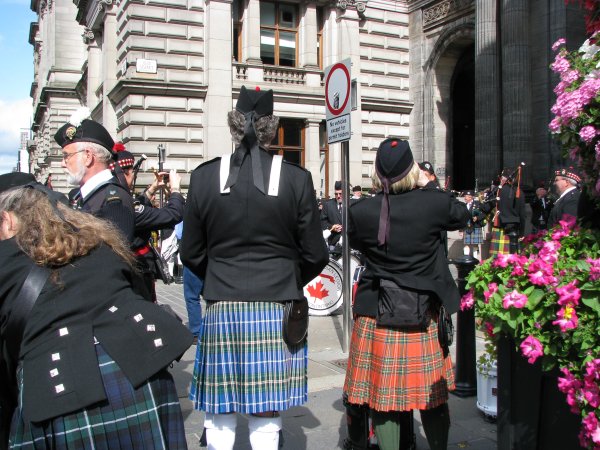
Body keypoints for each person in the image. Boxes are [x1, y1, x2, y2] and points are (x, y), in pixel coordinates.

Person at [180, 85, 328, 450]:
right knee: (266, 411)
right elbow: (315, 253)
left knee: (219, 410)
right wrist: (287, 279)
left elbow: (190, 252)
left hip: (222, 304)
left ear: (234, 125)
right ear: (273, 128)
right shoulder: (297, 178)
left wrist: (218, 275)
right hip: (276, 306)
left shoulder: (202, 177)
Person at [0, 183, 193, 449]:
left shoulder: (5, 259)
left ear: (8, 220)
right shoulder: (102, 246)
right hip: (143, 370)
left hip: (59, 397)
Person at [344, 138, 469, 450]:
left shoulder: (360, 211)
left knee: (383, 398)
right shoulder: (435, 203)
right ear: (413, 169)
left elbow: (357, 242)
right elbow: (463, 216)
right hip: (422, 312)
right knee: (433, 396)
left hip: (377, 311)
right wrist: (429, 185)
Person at [110, 143, 186, 301]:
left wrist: (153, 188)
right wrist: (176, 189)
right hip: (137, 270)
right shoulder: (124, 205)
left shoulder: (111, 197)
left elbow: (137, 206)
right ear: (126, 173)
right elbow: (173, 214)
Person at [55, 107, 135, 243]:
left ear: (88, 156)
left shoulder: (113, 201)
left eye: (66, 156)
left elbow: (114, 260)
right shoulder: (84, 196)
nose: (62, 163)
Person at [175, 221, 203, 343]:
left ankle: (196, 331)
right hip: (209, 258)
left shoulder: (188, 215)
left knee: (192, 296)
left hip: (192, 260)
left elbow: (179, 234)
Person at [488, 168, 526, 255]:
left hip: (499, 228)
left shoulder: (498, 191)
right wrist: (522, 232)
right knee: (513, 260)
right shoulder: (519, 192)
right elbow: (522, 215)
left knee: (497, 260)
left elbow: (488, 206)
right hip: (513, 230)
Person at [321, 180, 345, 251]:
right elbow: (323, 222)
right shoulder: (328, 205)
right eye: (336, 194)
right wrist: (332, 227)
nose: (338, 196)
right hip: (333, 241)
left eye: (340, 194)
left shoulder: (351, 204)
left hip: (348, 241)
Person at [462, 190, 486, 258]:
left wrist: (477, 217)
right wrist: (461, 229)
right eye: (465, 196)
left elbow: (484, 213)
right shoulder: (464, 205)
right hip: (467, 226)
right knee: (466, 244)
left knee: (475, 244)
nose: (465, 198)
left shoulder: (478, 204)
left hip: (476, 226)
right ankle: (466, 258)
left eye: (466, 196)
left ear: (470, 197)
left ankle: (475, 260)